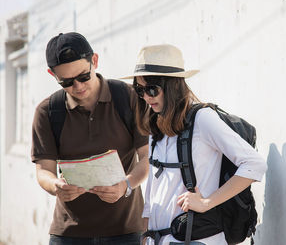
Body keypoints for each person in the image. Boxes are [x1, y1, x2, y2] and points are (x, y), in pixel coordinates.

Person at [122, 44, 266, 245]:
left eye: (151, 89)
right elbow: (154, 189)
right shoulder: (156, 125)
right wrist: (146, 234)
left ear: (171, 86)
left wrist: (207, 202)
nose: (146, 97)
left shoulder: (202, 119)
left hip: (198, 239)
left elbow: (254, 164)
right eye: (139, 90)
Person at [31, 32, 149, 245]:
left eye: (84, 76)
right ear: (52, 74)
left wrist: (126, 186)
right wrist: (55, 185)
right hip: (68, 234)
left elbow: (148, 159)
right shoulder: (47, 112)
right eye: (66, 82)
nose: (78, 87)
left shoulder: (128, 98)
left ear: (94, 60)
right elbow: (43, 171)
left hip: (126, 232)